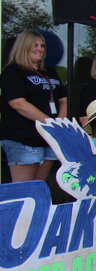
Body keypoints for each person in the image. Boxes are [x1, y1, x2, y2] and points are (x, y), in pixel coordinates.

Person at [0, 30, 67, 182]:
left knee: (38, 187)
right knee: (24, 191)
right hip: (23, 137)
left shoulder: (50, 72)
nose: (40, 49)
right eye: (35, 45)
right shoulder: (13, 71)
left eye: (42, 45)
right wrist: (49, 122)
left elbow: (63, 99)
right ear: (24, 47)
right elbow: (17, 103)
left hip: (48, 137)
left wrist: (60, 123)